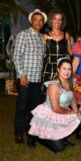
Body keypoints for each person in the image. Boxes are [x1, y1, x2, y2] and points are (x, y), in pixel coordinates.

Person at [28, 58, 80, 152]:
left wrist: (76, 111)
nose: (67, 72)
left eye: (69, 69)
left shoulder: (70, 82)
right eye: (64, 68)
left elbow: (72, 99)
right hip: (51, 113)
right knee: (59, 148)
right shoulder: (53, 86)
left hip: (63, 111)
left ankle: (63, 137)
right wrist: (71, 112)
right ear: (58, 69)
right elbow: (55, 108)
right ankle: (36, 136)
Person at [13, 9, 47, 144]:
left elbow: (43, 58)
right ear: (31, 21)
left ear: (43, 23)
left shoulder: (42, 38)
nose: (38, 22)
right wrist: (21, 75)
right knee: (22, 106)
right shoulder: (23, 35)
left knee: (34, 107)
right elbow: (16, 56)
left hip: (37, 79)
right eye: (36, 20)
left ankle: (30, 131)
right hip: (25, 78)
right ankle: (19, 132)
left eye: (41, 20)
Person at [42, 10, 73, 83]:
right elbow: (42, 54)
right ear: (51, 20)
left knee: (62, 93)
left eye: (60, 19)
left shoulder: (66, 35)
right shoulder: (45, 35)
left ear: (62, 22)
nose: (57, 21)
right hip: (49, 69)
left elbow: (71, 53)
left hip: (63, 69)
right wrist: (43, 41)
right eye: (55, 19)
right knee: (49, 93)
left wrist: (80, 43)